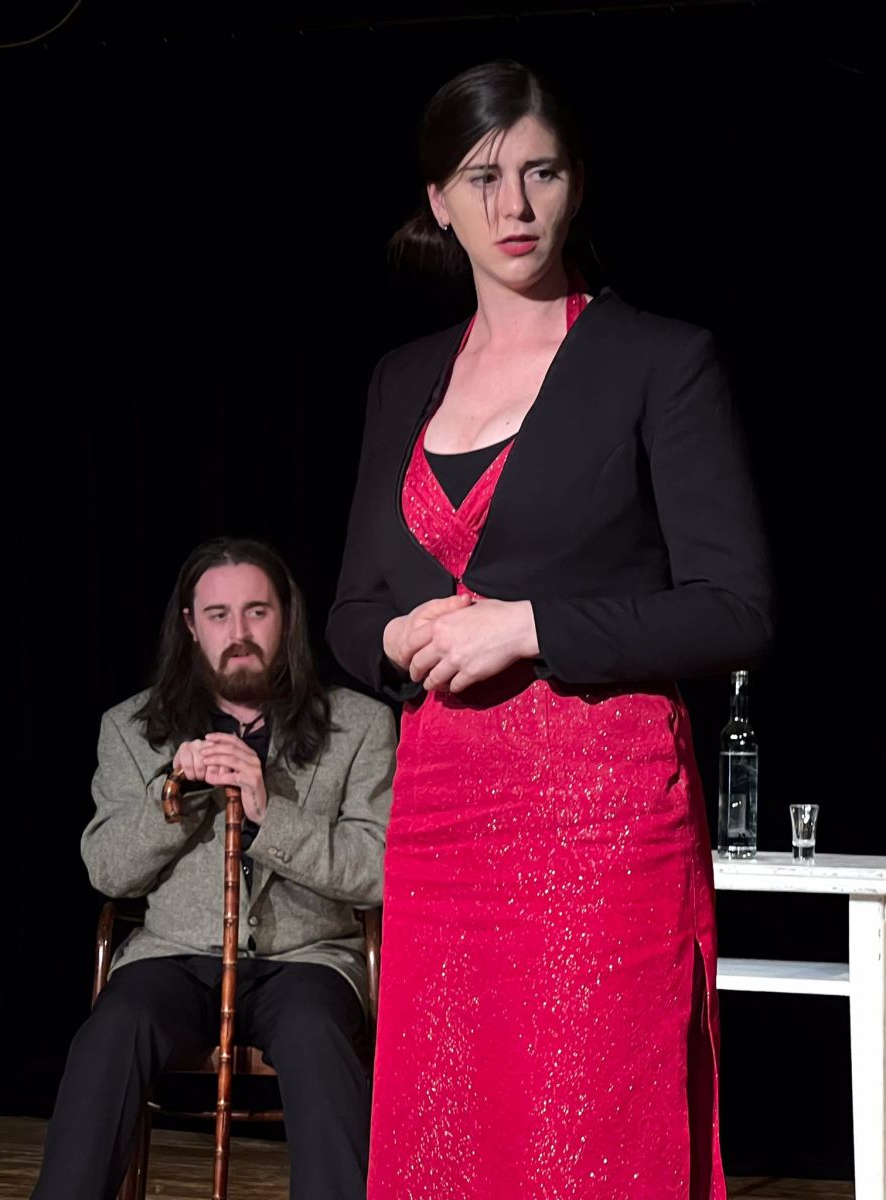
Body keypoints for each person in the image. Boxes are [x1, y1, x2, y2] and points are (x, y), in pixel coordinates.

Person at [327, 59, 773, 1198]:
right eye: (482, 178)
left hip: (600, 814)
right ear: (439, 202)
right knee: (449, 1134)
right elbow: (351, 611)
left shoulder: (658, 359)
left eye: (542, 173)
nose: (514, 207)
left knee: (590, 1138)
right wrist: (399, 642)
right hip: (442, 814)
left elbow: (735, 608)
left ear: (578, 184)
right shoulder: (402, 380)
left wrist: (528, 626)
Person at [33, 536, 396, 1200]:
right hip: (173, 956)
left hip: (307, 959)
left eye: (257, 611)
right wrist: (174, 797)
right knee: (113, 1030)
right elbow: (107, 870)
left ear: (286, 617)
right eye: (219, 614)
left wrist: (269, 813)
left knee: (318, 1039)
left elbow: (377, 868)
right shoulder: (131, 728)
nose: (239, 633)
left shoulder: (362, 726)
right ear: (191, 626)